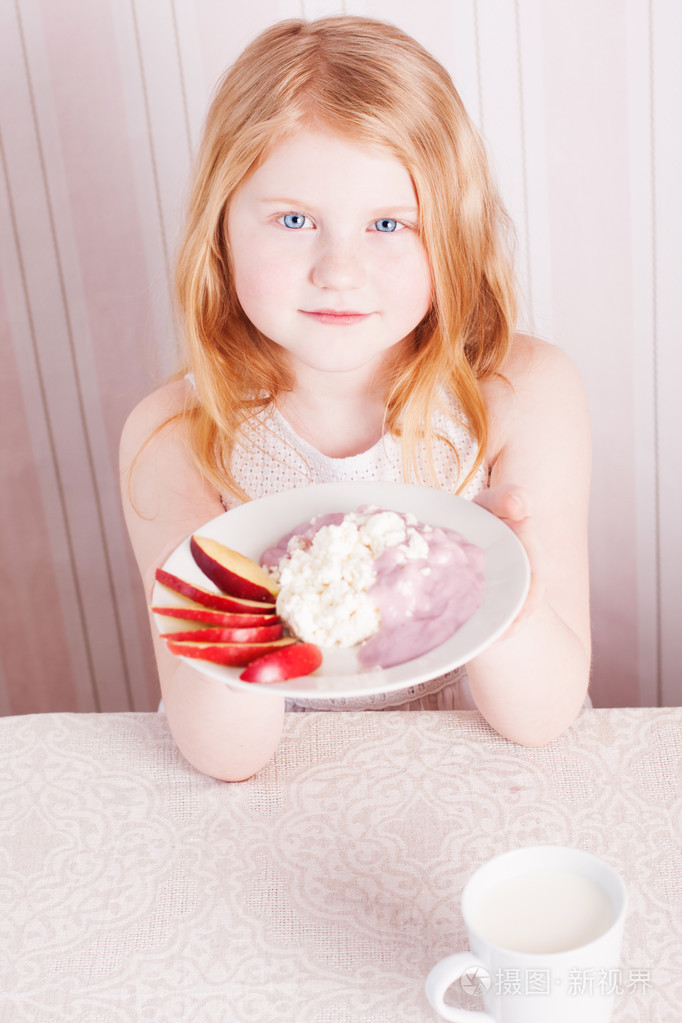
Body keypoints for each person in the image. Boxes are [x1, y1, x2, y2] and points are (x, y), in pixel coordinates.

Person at [120, 16, 591, 782]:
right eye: (295, 219)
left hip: (486, 780)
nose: (339, 269)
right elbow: (222, 754)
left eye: (386, 223)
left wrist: (514, 595)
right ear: (222, 233)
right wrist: (233, 609)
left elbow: (544, 718)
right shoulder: (176, 436)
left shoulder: (523, 394)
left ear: (451, 234)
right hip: (290, 795)